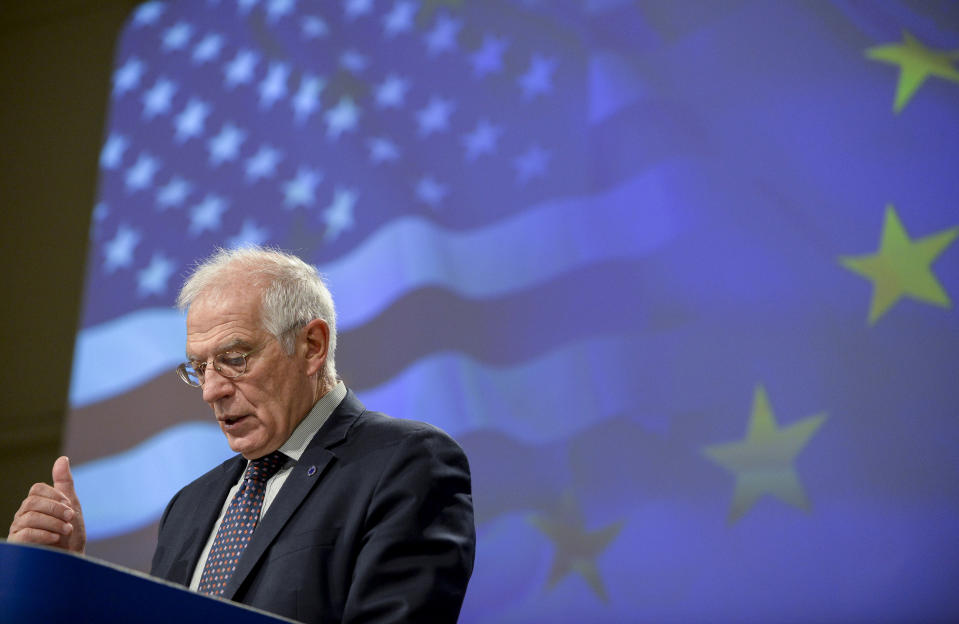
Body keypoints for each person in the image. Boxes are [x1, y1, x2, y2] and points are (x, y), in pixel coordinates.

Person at [8, 246, 476, 623]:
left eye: (234, 358)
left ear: (312, 346)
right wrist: (67, 581)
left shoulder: (406, 462)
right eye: (198, 367)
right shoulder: (190, 506)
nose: (211, 390)